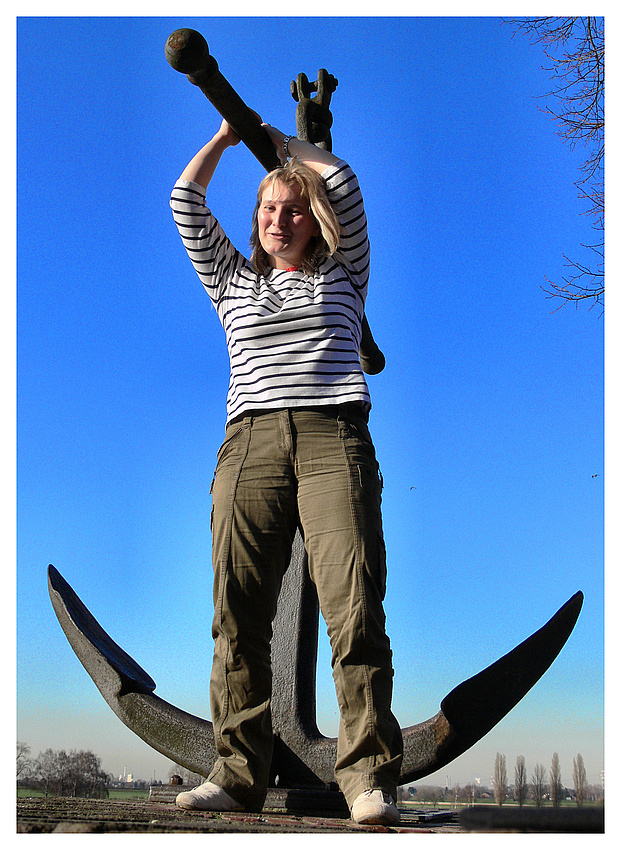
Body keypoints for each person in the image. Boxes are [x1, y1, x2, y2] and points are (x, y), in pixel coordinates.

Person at [169, 118, 403, 825]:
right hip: (250, 445)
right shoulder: (230, 278)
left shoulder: (344, 269)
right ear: (257, 220)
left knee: (354, 607)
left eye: (293, 208)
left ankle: (365, 777)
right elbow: (184, 199)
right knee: (236, 613)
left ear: (312, 223)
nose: (279, 217)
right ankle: (238, 772)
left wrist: (281, 145)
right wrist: (221, 138)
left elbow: (344, 181)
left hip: (335, 439)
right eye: (268, 208)